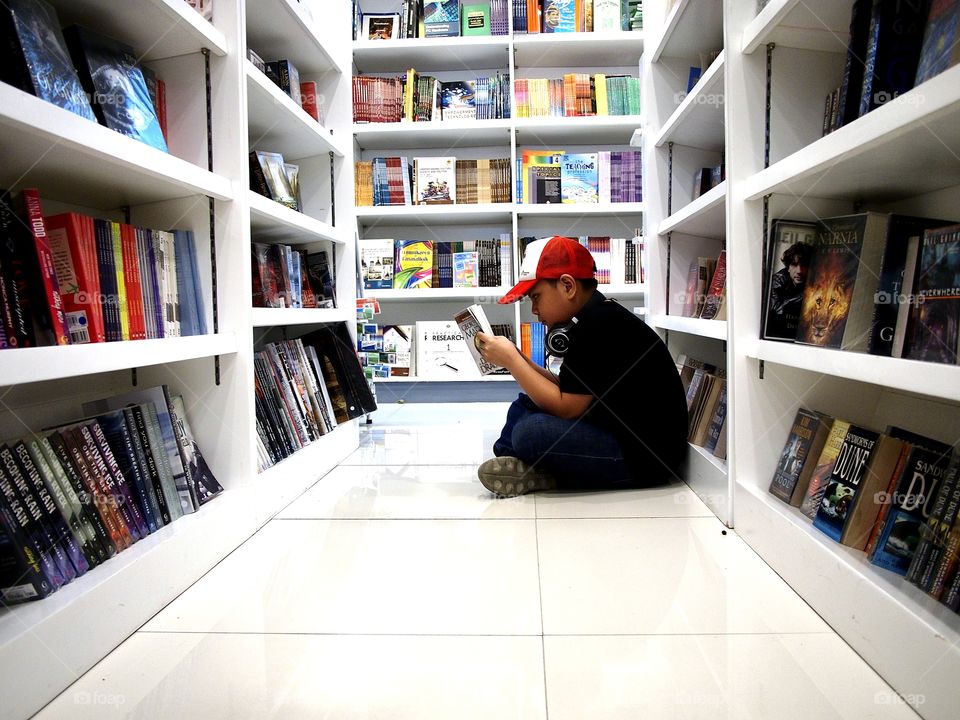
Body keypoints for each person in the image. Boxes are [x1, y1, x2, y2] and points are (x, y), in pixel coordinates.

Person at [474, 236, 689, 497]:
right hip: (614, 432)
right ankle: (519, 465)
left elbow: (566, 408)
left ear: (567, 286)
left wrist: (512, 361)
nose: (534, 310)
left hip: (642, 460)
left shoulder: (598, 326)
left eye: (536, 297)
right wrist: (520, 359)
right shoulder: (593, 317)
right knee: (525, 403)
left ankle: (528, 466)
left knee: (530, 432)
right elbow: (566, 388)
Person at [765, 241, 812, 340]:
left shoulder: (817, 282)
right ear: (788, 267)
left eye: (804, 265)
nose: (799, 271)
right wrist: (804, 295)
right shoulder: (777, 281)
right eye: (794, 265)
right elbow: (776, 311)